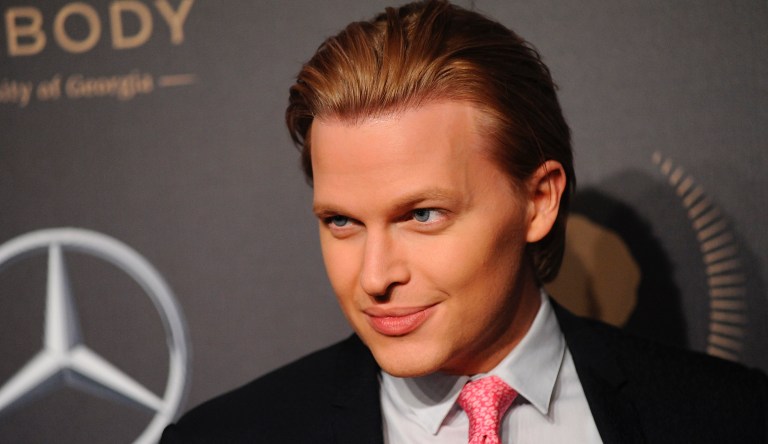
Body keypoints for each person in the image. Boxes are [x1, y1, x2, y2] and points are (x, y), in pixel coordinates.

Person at [161, 1, 767, 442]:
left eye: (422, 215)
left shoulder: (732, 418)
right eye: (342, 222)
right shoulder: (225, 437)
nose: (374, 277)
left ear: (539, 201)